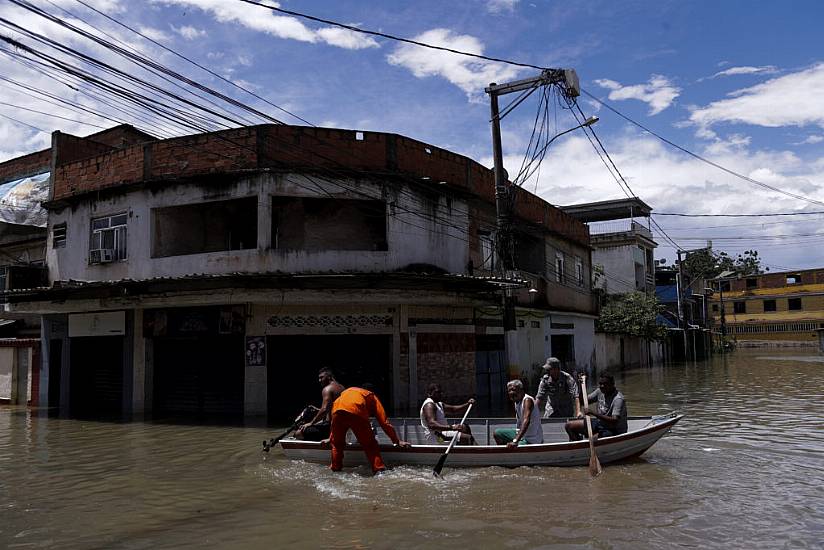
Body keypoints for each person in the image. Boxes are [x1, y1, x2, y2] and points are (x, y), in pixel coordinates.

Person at [321, 385, 411, 474]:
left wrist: (331, 438)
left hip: (336, 412)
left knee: (337, 444)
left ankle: (335, 470)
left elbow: (338, 417)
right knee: (370, 444)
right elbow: (384, 422)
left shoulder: (347, 392)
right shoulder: (372, 396)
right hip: (355, 411)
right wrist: (396, 441)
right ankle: (379, 470)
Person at [565, 373, 628, 441]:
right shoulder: (599, 391)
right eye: (600, 384)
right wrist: (582, 385)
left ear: (612, 384)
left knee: (591, 440)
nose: (602, 386)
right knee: (569, 426)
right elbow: (583, 401)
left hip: (614, 430)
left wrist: (593, 413)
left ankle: (588, 443)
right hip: (600, 423)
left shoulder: (618, 399)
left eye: (605, 384)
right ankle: (578, 446)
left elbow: (614, 421)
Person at [295, 368, 345, 441]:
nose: (319, 380)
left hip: (332, 427)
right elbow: (334, 407)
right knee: (315, 424)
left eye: (321, 377)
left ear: (329, 377)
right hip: (342, 425)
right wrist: (318, 410)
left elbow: (324, 410)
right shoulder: (341, 387)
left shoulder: (327, 389)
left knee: (298, 433)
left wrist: (311, 423)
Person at [493, 380, 544, 447]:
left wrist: (515, 440)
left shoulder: (527, 400)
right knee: (497, 433)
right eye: (509, 391)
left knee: (515, 446)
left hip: (532, 439)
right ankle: (505, 453)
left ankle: (511, 451)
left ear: (521, 390)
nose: (511, 392)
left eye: (513, 390)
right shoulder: (517, 402)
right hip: (522, 435)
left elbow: (526, 421)